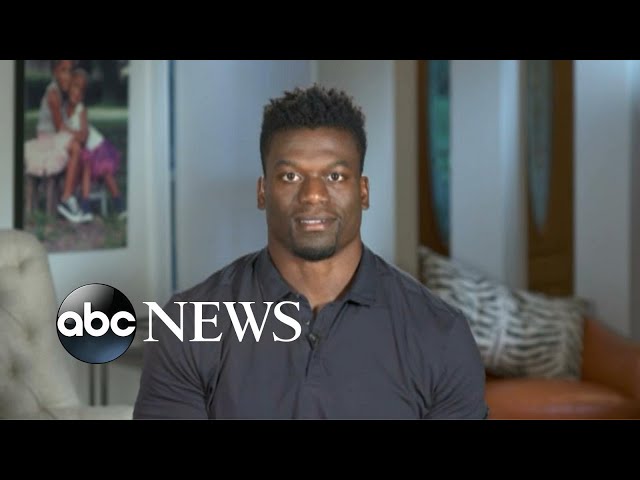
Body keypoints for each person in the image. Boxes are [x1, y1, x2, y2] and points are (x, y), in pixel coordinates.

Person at [133, 85, 488, 420]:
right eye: (290, 176)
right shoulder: (187, 326)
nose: (313, 194)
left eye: (335, 177)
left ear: (363, 191)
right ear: (262, 191)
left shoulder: (440, 334)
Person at [24, 60, 90, 223]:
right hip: (47, 139)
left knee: (80, 150)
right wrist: (78, 135)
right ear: (55, 72)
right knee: (75, 147)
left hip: (57, 137)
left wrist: (81, 133)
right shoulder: (53, 93)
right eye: (63, 71)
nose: (67, 76)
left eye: (70, 71)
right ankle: (66, 198)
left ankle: (71, 196)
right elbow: (60, 126)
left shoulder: (63, 92)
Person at [63, 68, 126, 220]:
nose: (77, 93)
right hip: (85, 151)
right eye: (75, 87)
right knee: (86, 168)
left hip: (97, 147)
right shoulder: (64, 110)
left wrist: (69, 131)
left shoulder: (81, 110)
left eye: (81, 91)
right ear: (68, 86)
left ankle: (120, 205)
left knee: (106, 173)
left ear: (83, 95)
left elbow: (84, 136)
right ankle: (86, 207)